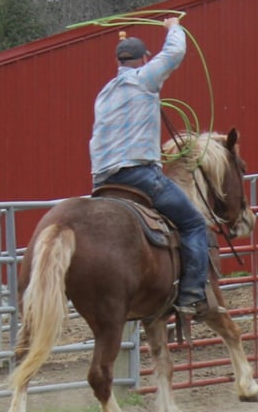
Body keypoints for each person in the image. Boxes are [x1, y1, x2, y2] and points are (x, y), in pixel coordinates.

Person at [89, 16, 215, 323]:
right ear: (144, 59)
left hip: (102, 179)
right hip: (139, 175)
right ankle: (191, 295)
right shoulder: (144, 79)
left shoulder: (105, 93)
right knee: (194, 224)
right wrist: (173, 27)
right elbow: (174, 54)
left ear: (119, 62)